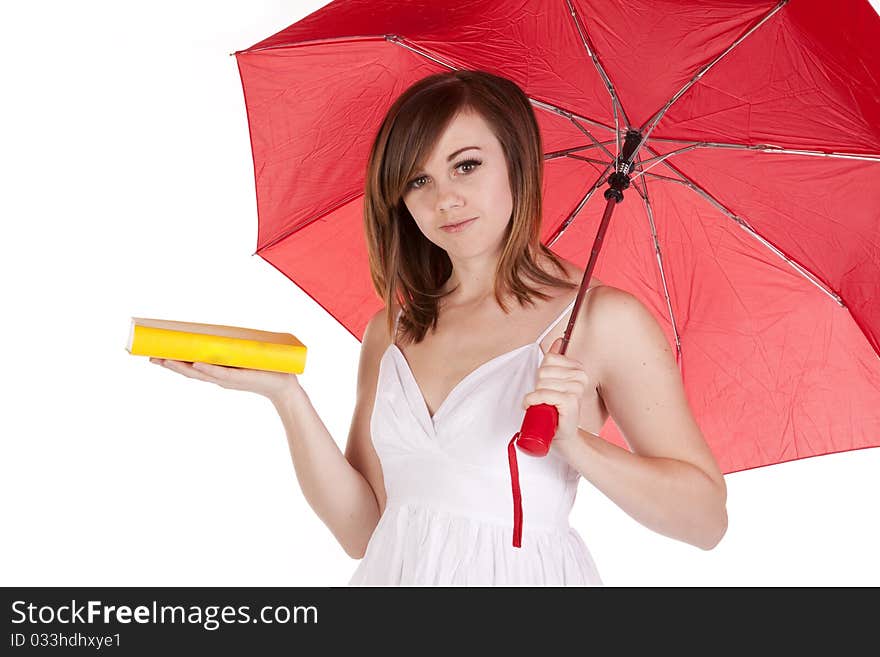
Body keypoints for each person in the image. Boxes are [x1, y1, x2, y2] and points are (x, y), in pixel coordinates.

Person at [150, 70, 728, 586]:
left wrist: (577, 446)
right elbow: (364, 531)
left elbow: (706, 521)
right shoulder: (393, 329)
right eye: (418, 180)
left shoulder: (601, 321)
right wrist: (286, 397)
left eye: (467, 165)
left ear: (517, 165)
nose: (445, 199)